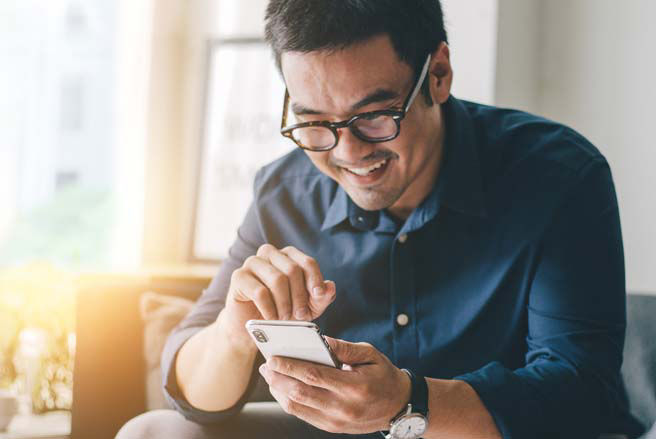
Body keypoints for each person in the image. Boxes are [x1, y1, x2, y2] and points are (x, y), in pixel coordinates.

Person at [117, 1, 645, 438]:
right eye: (313, 122)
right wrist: (235, 332)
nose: (347, 153)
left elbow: (581, 392)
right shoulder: (284, 192)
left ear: (438, 74)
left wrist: (411, 404)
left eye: (374, 116)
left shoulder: (558, 176)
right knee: (154, 432)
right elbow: (192, 395)